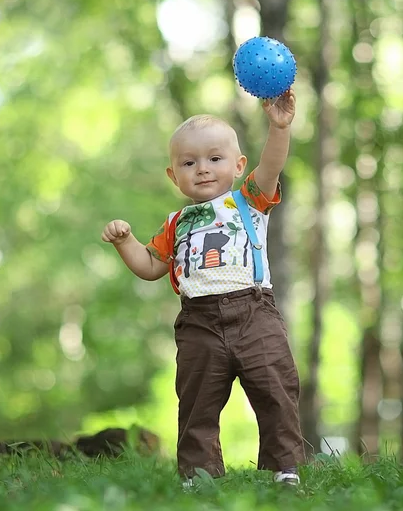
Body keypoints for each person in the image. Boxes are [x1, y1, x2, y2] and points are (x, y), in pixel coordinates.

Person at [101, 88, 305, 486]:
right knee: (197, 402)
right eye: (189, 162)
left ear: (238, 164)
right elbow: (150, 267)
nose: (203, 169)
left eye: (215, 159)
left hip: (254, 314)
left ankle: (285, 468)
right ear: (173, 175)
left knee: (276, 388)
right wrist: (126, 241)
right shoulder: (176, 223)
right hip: (199, 322)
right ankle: (199, 476)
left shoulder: (248, 200)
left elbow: (272, 166)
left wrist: (279, 128)